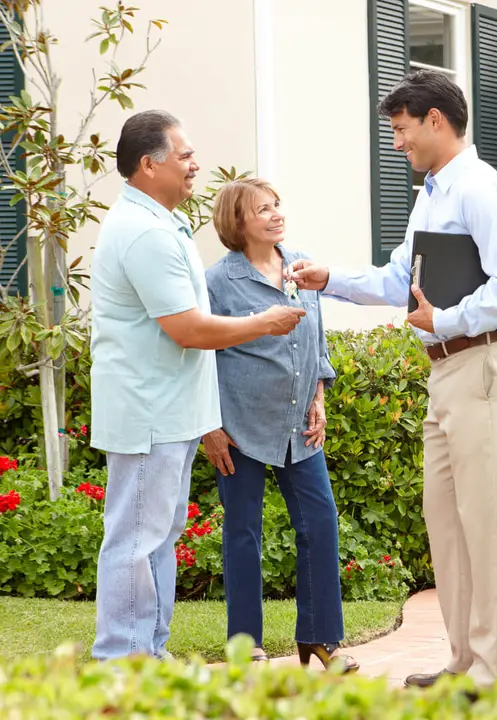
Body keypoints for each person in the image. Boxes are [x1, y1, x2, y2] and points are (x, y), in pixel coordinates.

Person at [287, 69, 497, 689]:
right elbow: (402, 278)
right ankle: (463, 661)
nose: (396, 142)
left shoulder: (480, 189)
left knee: (483, 523)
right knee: (446, 523)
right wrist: (331, 279)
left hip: (484, 364)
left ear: (435, 120)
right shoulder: (433, 192)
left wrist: (446, 317)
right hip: (446, 371)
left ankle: (494, 672)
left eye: (400, 130)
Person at [89, 110, 305, 662]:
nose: (195, 165)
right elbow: (186, 329)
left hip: (171, 413)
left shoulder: (163, 223)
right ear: (148, 164)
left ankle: (148, 652)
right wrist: (265, 322)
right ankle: (122, 657)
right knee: (135, 539)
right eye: (184, 156)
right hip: (148, 414)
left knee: (157, 537)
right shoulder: (142, 232)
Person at [201, 177, 358, 673]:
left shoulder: (302, 266)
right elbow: (200, 356)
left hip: (299, 425)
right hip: (240, 426)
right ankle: (245, 642)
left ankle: (321, 639)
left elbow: (317, 340)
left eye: (276, 205)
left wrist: (319, 396)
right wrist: (210, 426)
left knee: (320, 521)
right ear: (237, 222)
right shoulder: (218, 282)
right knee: (243, 532)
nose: (275, 214)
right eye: (261, 209)